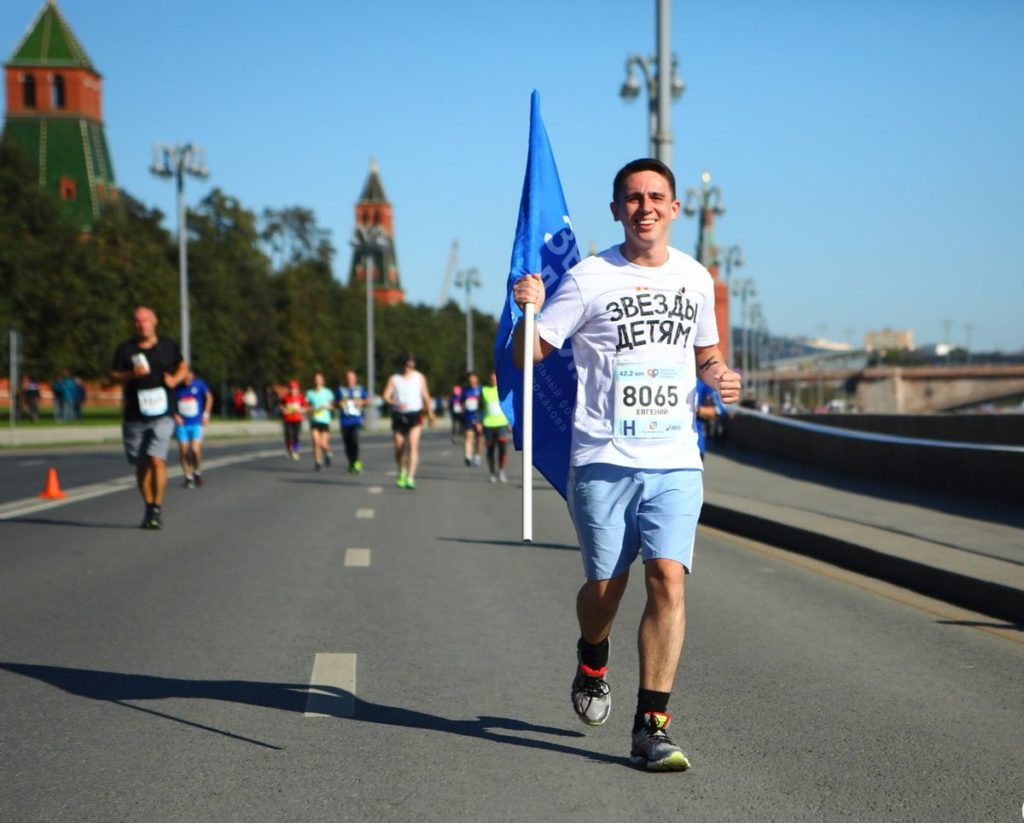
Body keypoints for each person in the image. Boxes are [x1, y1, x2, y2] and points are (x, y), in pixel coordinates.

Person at [512, 158, 742, 771]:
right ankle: (592, 656)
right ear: (616, 210)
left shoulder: (694, 278)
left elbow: (706, 353)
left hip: (674, 457)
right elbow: (530, 353)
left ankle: (652, 726)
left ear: (673, 208)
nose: (645, 206)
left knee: (667, 577)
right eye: (633, 198)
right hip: (603, 458)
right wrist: (527, 309)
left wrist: (720, 375)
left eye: (656, 196)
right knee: (606, 589)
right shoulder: (590, 277)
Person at [110, 305, 188, 529]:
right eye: (137, 320)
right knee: (141, 465)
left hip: (163, 413)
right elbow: (113, 376)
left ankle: (157, 508)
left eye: (145, 320)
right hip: (135, 415)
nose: (141, 324)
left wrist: (175, 380)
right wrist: (129, 374)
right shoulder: (126, 350)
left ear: (154, 322)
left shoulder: (168, 346)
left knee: (157, 459)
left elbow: (182, 366)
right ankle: (149, 505)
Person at [381, 353, 434, 489]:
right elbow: (386, 396)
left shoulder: (419, 377)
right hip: (399, 416)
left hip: (415, 414)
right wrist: (395, 402)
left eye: (410, 365)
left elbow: (426, 396)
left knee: (413, 445)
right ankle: (402, 471)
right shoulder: (394, 379)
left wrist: (431, 414)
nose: (408, 368)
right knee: (399, 448)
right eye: (405, 365)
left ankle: (410, 477)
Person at [173, 367, 213, 488]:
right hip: (182, 425)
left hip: (196, 423)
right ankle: (188, 477)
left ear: (192, 375)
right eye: (185, 377)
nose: (187, 379)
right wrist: (175, 415)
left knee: (195, 450)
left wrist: (206, 414)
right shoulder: (176, 387)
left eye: (189, 376)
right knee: (184, 451)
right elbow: (169, 403)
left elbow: (209, 397)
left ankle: (197, 472)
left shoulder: (199, 384)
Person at [481, 370, 511, 483]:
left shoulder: (503, 390)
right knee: (490, 450)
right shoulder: (484, 390)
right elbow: (479, 407)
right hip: (488, 424)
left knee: (502, 449)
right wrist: (478, 422)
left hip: (501, 424)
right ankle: (492, 472)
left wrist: (510, 423)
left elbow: (509, 407)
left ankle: (502, 471)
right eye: (492, 378)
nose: (493, 380)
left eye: (495, 378)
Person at [336, 369, 368, 474]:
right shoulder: (341, 390)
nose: (350, 380)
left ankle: (357, 462)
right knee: (347, 444)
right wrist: (339, 403)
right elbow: (335, 402)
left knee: (354, 441)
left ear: (355, 379)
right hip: (344, 420)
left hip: (355, 420)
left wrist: (361, 402)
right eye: (348, 378)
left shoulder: (360, 389)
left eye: (352, 378)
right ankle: (351, 463)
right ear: (346, 379)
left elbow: (367, 400)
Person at [305, 372, 335, 471]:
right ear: (314, 380)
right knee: (316, 442)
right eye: (316, 379)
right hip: (314, 420)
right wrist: (310, 409)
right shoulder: (310, 393)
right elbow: (306, 405)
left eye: (320, 379)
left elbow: (332, 405)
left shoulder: (327, 392)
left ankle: (328, 452)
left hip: (325, 420)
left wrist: (327, 406)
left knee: (323, 443)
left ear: (323, 381)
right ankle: (318, 462)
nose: (318, 381)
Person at [460, 372, 483, 467]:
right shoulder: (465, 391)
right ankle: (468, 456)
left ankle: (477, 456)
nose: (472, 382)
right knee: (469, 435)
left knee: (479, 439)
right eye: (470, 380)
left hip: (480, 417)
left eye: (474, 380)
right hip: (469, 417)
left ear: (477, 380)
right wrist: (463, 407)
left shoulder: (481, 390)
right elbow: (461, 403)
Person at [279, 380, 306, 459]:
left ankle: (295, 451)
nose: (293, 390)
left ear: (298, 389)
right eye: (291, 388)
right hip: (287, 420)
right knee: (288, 436)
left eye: (295, 388)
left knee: (296, 436)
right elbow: (281, 405)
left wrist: (302, 410)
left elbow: (306, 406)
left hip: (297, 419)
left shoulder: (300, 397)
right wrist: (283, 410)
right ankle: (289, 450)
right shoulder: (286, 397)